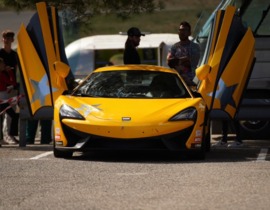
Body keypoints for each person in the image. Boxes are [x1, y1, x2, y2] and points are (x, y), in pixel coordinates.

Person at [0, 30, 19, 144]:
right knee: (2, 113)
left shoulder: (14, 54)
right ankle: (2, 137)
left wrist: (15, 84)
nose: (7, 40)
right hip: (1, 88)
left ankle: (9, 135)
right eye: (5, 38)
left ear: (12, 40)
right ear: (3, 39)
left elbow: (16, 69)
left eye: (9, 38)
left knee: (11, 113)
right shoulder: (0, 53)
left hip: (11, 87)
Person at [167, 21, 200, 86]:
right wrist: (185, 59)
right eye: (180, 30)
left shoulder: (195, 47)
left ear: (189, 33)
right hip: (178, 81)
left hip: (192, 81)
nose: (182, 32)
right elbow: (169, 61)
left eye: (185, 30)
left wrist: (177, 61)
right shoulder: (174, 47)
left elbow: (194, 61)